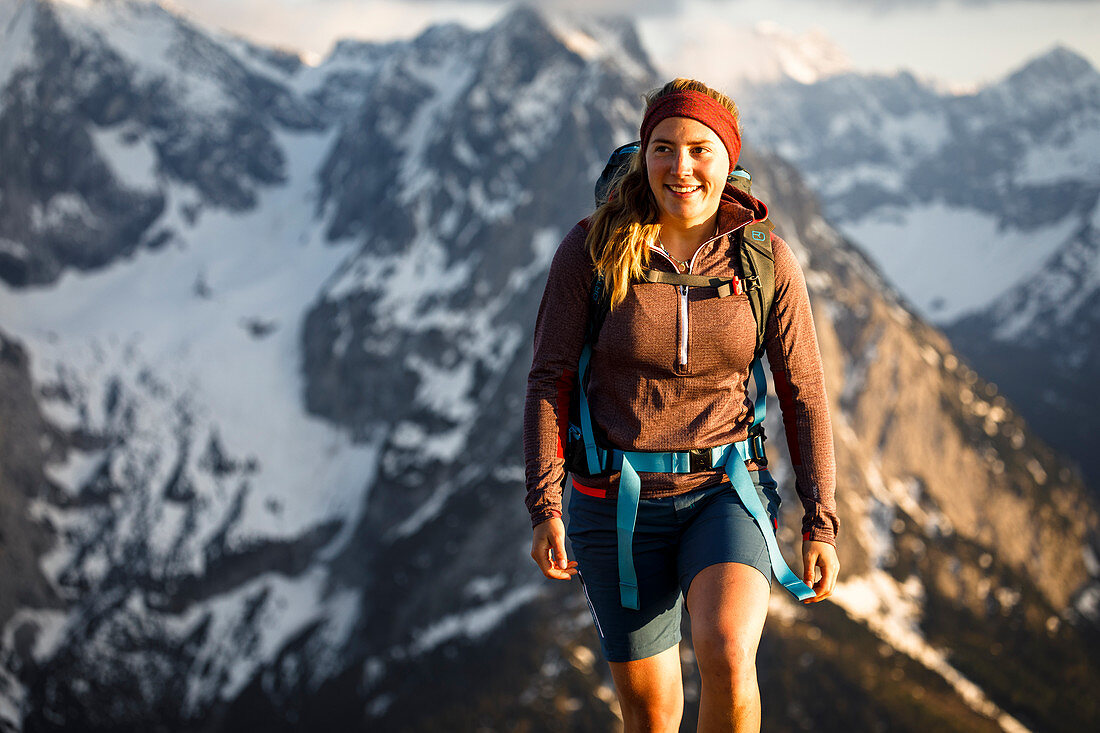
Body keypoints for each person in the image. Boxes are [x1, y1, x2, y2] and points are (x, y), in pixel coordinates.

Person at [522, 78, 839, 732]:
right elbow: (548, 378)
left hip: (724, 490)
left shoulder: (765, 261)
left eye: (700, 149)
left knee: (726, 649)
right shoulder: (591, 251)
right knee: (652, 713)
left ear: (728, 160)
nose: (681, 166)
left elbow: (803, 391)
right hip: (614, 503)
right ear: (643, 156)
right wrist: (545, 504)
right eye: (663, 148)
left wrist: (821, 518)